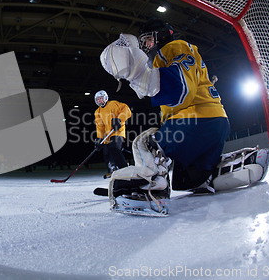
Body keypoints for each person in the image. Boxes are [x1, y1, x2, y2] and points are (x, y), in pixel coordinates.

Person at [99, 18, 231, 216]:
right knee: (187, 178)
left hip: (194, 121)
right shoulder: (173, 55)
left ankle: (152, 190)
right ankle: (210, 175)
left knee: (146, 144)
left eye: (147, 40)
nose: (145, 46)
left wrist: (136, 74)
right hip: (215, 122)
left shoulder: (172, 48)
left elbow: (180, 90)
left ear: (161, 36)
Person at [93, 90, 131, 177]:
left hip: (118, 131)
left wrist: (119, 119)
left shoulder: (114, 104)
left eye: (101, 98)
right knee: (106, 152)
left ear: (105, 98)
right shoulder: (97, 112)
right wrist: (99, 138)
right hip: (107, 135)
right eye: (98, 99)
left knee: (113, 148)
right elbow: (100, 126)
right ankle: (112, 170)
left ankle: (124, 168)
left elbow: (126, 110)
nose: (99, 101)